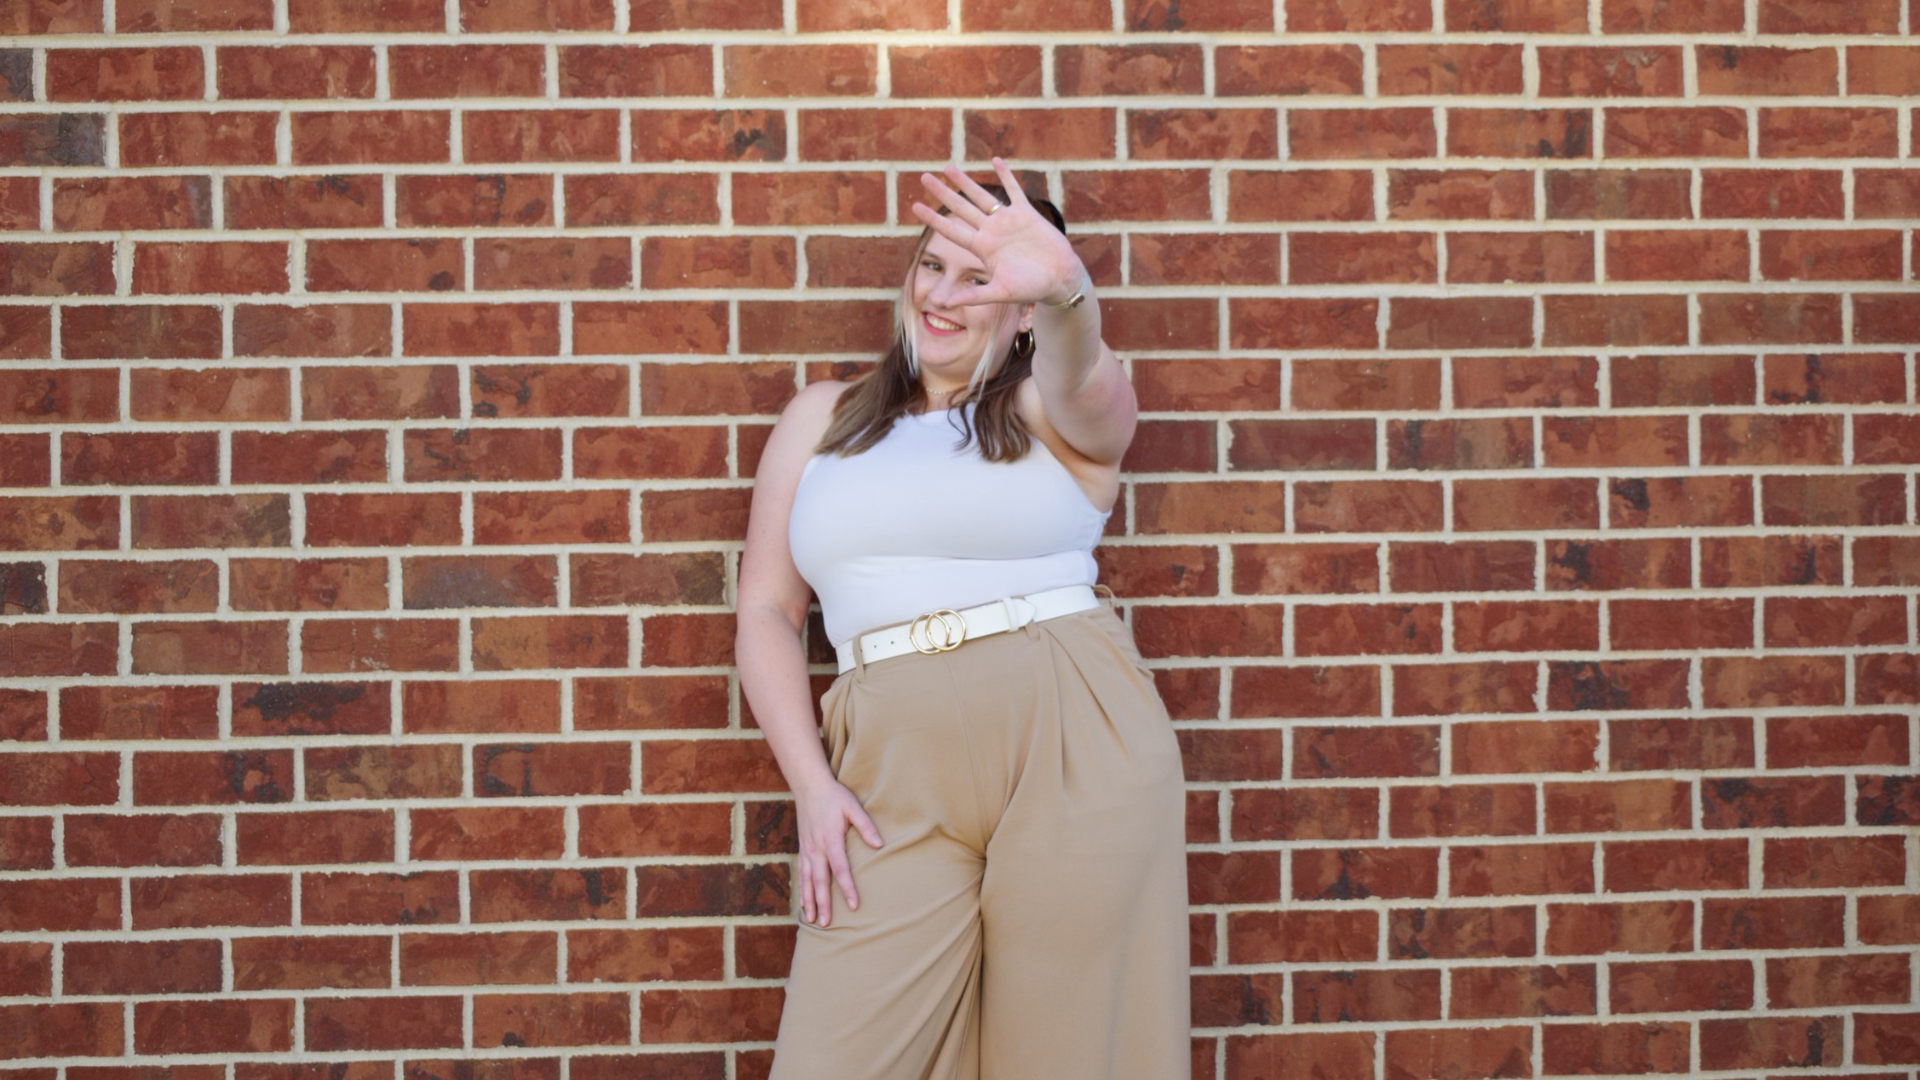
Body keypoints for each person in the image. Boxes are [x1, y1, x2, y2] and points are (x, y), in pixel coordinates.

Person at [735, 157, 1190, 1080]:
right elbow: (769, 614)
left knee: (1068, 1056)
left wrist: (1066, 293)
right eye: (931, 265)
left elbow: (1095, 387)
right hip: (889, 769)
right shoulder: (822, 420)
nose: (940, 294)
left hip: (1074, 736)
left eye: (979, 277)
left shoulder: (1049, 407)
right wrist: (813, 788)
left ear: (1022, 310)